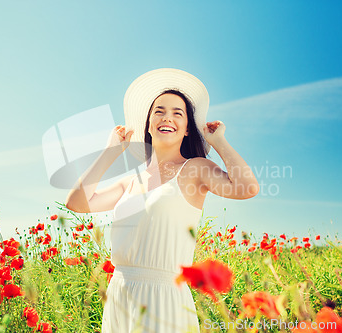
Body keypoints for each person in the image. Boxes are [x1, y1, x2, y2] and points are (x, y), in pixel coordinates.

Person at [65, 68, 259, 333]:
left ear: (188, 128)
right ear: (148, 123)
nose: (167, 117)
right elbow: (76, 203)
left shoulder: (195, 168)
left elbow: (247, 188)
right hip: (119, 293)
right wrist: (110, 152)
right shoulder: (131, 181)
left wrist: (220, 142)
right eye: (159, 110)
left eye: (177, 113)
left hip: (163, 296)